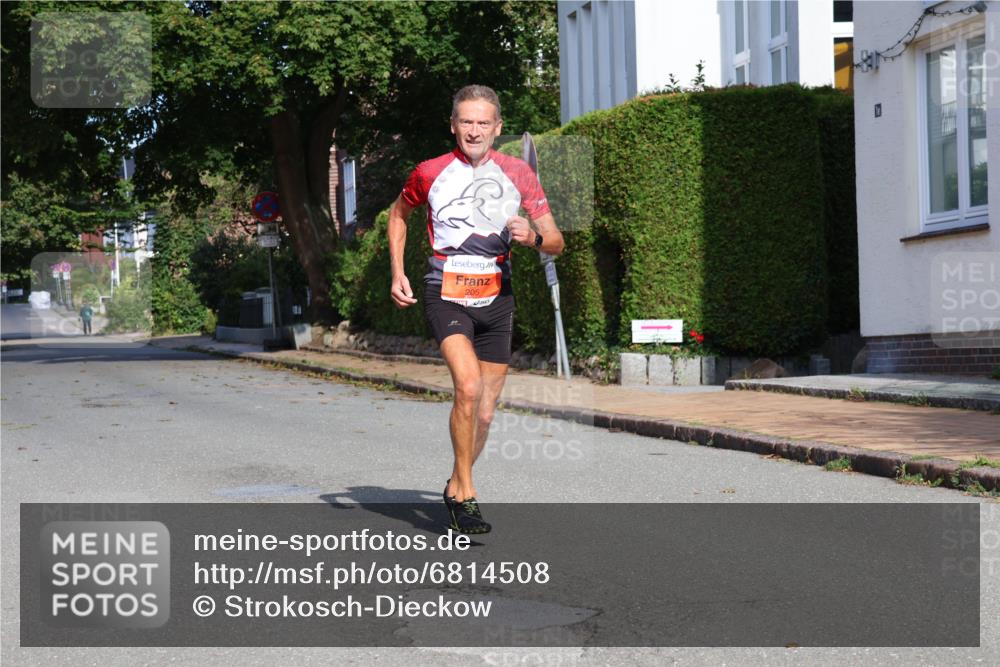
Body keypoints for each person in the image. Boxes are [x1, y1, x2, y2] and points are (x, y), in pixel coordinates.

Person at [388, 85, 564, 534]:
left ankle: (453, 484)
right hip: (444, 292)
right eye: (466, 121)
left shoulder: (519, 173)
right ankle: (467, 495)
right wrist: (396, 272)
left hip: (497, 297)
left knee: (484, 411)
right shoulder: (429, 172)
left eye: (483, 122)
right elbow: (397, 215)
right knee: (467, 387)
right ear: (453, 125)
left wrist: (533, 238)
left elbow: (556, 241)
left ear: (497, 128)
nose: (474, 130)